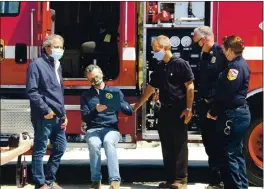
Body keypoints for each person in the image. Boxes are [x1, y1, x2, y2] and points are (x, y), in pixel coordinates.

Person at [133, 35, 194, 189]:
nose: (154, 53)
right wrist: (138, 105)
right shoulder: (160, 67)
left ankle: (181, 180)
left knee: (179, 146)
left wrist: (188, 109)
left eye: (156, 50)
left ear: (166, 48)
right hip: (164, 111)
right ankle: (170, 179)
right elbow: (150, 89)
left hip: (179, 111)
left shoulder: (181, 64)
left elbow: (190, 87)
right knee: (167, 146)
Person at [207, 35, 251, 189]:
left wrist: (214, 111)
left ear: (231, 50)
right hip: (238, 114)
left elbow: (227, 93)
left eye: (225, 49)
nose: (223, 52)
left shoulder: (235, 68)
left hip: (233, 115)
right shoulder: (240, 64)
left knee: (229, 156)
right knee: (236, 153)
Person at [80, 64, 133, 189]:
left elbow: (129, 111)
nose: (95, 80)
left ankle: (115, 181)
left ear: (102, 74)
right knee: (94, 145)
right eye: (91, 79)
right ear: (88, 80)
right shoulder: (86, 96)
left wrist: (118, 104)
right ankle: (96, 181)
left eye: (96, 76)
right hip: (93, 129)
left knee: (109, 143)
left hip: (111, 128)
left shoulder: (114, 91)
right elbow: (85, 117)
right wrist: (96, 110)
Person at [26, 34, 67, 189]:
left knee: (61, 147)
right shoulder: (36, 65)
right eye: (56, 47)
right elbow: (32, 91)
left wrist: (64, 114)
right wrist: (46, 110)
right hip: (44, 115)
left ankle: (49, 180)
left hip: (58, 116)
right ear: (47, 48)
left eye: (61, 47)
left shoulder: (57, 65)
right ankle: (40, 183)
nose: (59, 50)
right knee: (40, 150)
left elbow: (59, 92)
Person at [193, 26, 226, 189]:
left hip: (213, 108)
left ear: (205, 39)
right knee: (208, 144)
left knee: (217, 145)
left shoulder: (220, 54)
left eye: (197, 42)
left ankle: (219, 180)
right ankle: (214, 179)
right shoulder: (204, 55)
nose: (197, 46)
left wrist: (215, 108)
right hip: (203, 106)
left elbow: (223, 85)